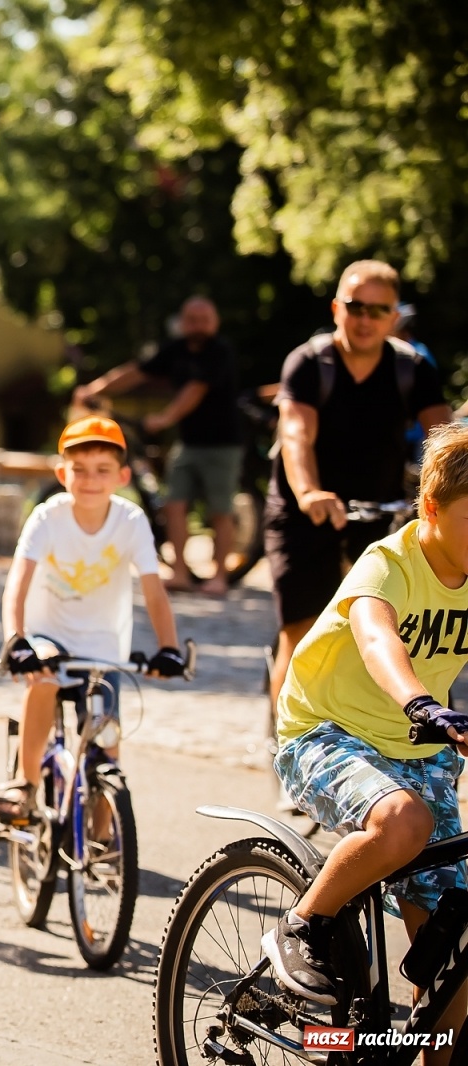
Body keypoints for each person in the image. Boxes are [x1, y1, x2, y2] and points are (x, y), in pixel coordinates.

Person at [265, 422, 468, 1062]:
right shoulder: (389, 564)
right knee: (404, 823)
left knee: (454, 971)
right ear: (432, 508)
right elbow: (379, 639)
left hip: (418, 748)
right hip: (326, 734)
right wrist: (421, 703)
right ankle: (304, 924)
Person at [264, 261, 451, 711]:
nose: (365, 319)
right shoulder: (309, 363)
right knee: (304, 627)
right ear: (336, 309)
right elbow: (295, 436)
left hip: (380, 512)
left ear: (394, 317)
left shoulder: (412, 368)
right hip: (304, 511)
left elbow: (445, 441)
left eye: (378, 309)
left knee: (385, 626)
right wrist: (309, 493)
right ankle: (287, 742)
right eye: (355, 306)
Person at [0, 416, 187, 821]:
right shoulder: (48, 517)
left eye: (103, 471)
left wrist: (169, 648)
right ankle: (26, 785)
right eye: (79, 470)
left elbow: (154, 591)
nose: (90, 480)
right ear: (62, 473)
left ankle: (102, 843)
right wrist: (16, 638)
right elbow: (18, 583)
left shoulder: (131, 521)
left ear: (122, 476)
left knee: (107, 747)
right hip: (49, 634)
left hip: (103, 645)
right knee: (43, 680)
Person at [75, 296, 243, 595]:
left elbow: (196, 389)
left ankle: (219, 577)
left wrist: (165, 418)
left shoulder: (220, 352)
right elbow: (136, 371)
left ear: (214, 323)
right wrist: (95, 389)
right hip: (188, 442)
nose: (198, 326)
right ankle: (179, 572)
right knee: (174, 504)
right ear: (184, 321)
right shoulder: (175, 349)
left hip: (222, 443)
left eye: (205, 320)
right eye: (192, 320)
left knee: (220, 510)